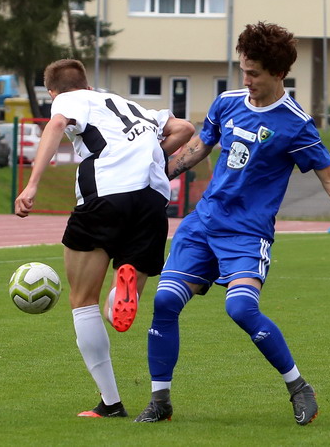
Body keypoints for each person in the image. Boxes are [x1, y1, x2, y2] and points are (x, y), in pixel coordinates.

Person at [134, 22, 330, 425]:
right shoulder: (227, 103)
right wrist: (154, 181)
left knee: (241, 308)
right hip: (203, 224)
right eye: (243, 70)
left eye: (254, 73)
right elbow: (198, 147)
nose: (246, 80)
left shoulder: (295, 124)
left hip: (246, 233)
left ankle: (299, 387)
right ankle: (160, 402)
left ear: (278, 73)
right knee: (165, 300)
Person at [15, 59, 195, 418]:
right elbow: (185, 128)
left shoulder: (68, 100)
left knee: (82, 300)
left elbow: (56, 125)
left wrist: (32, 184)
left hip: (107, 193)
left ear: (52, 92)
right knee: (121, 300)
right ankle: (118, 301)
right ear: (88, 84)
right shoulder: (130, 105)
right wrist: (151, 154)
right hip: (153, 199)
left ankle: (111, 403)